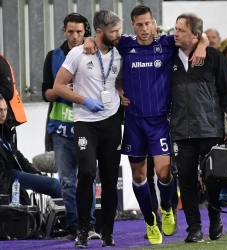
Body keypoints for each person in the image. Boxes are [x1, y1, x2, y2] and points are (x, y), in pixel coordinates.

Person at [83, 5, 208, 245]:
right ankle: (150, 221)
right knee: (139, 176)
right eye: (139, 24)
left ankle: (168, 206)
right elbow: (102, 36)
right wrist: (89, 38)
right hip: (133, 122)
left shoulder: (167, 43)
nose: (144, 29)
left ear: (154, 23)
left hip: (160, 121)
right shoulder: (125, 43)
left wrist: (202, 43)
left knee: (163, 173)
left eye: (147, 23)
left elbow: (195, 34)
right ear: (133, 25)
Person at [53, 10, 123, 248]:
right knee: (86, 173)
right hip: (85, 122)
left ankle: (108, 232)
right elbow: (58, 86)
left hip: (112, 120)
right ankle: (83, 230)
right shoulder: (77, 53)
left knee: (111, 178)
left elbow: (119, 80)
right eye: (114, 31)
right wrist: (84, 100)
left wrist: (121, 93)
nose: (119, 35)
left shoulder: (120, 51)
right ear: (101, 32)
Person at [170, 13, 227, 243]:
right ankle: (194, 229)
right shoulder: (169, 55)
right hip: (181, 131)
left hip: (209, 129)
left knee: (213, 181)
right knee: (187, 183)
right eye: (175, 29)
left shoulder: (213, 57)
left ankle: (215, 219)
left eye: (181, 30)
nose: (176, 33)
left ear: (195, 35)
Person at [41, 13, 100, 241]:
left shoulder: (94, 53)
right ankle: (73, 226)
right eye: (70, 32)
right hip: (61, 128)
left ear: (86, 31)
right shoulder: (53, 56)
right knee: (66, 180)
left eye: (79, 32)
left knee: (88, 176)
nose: (75, 36)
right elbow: (47, 93)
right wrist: (63, 87)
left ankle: (90, 224)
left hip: (87, 126)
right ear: (63, 31)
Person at [143, 18, 179, 240]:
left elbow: (199, 37)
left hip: (166, 121)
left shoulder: (172, 57)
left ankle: (170, 210)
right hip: (142, 120)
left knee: (166, 171)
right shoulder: (138, 52)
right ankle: (153, 219)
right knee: (146, 174)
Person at [0, 95, 62, 200]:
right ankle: (69, 216)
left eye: (5, 110)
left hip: (13, 175)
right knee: (54, 185)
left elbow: (17, 155)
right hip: (7, 178)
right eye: (0, 110)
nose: (3, 114)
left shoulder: (5, 130)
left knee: (56, 184)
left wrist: (34, 172)